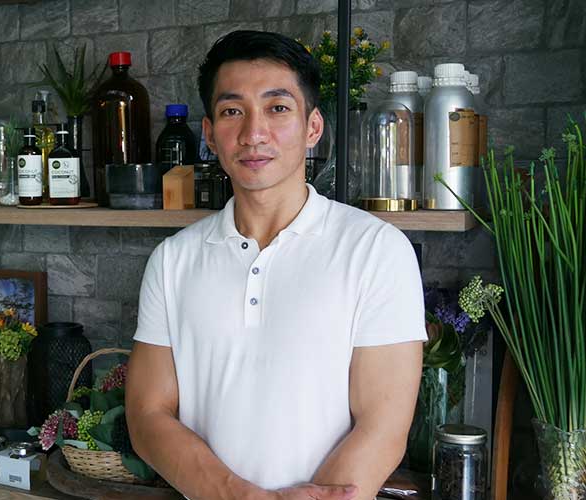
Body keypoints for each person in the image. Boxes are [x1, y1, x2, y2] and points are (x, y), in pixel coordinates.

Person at [126, 30, 425, 500]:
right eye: (232, 111)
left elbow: (382, 427)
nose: (254, 134)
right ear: (209, 135)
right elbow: (147, 416)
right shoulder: (172, 261)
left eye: (278, 108)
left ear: (313, 128)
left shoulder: (376, 250)